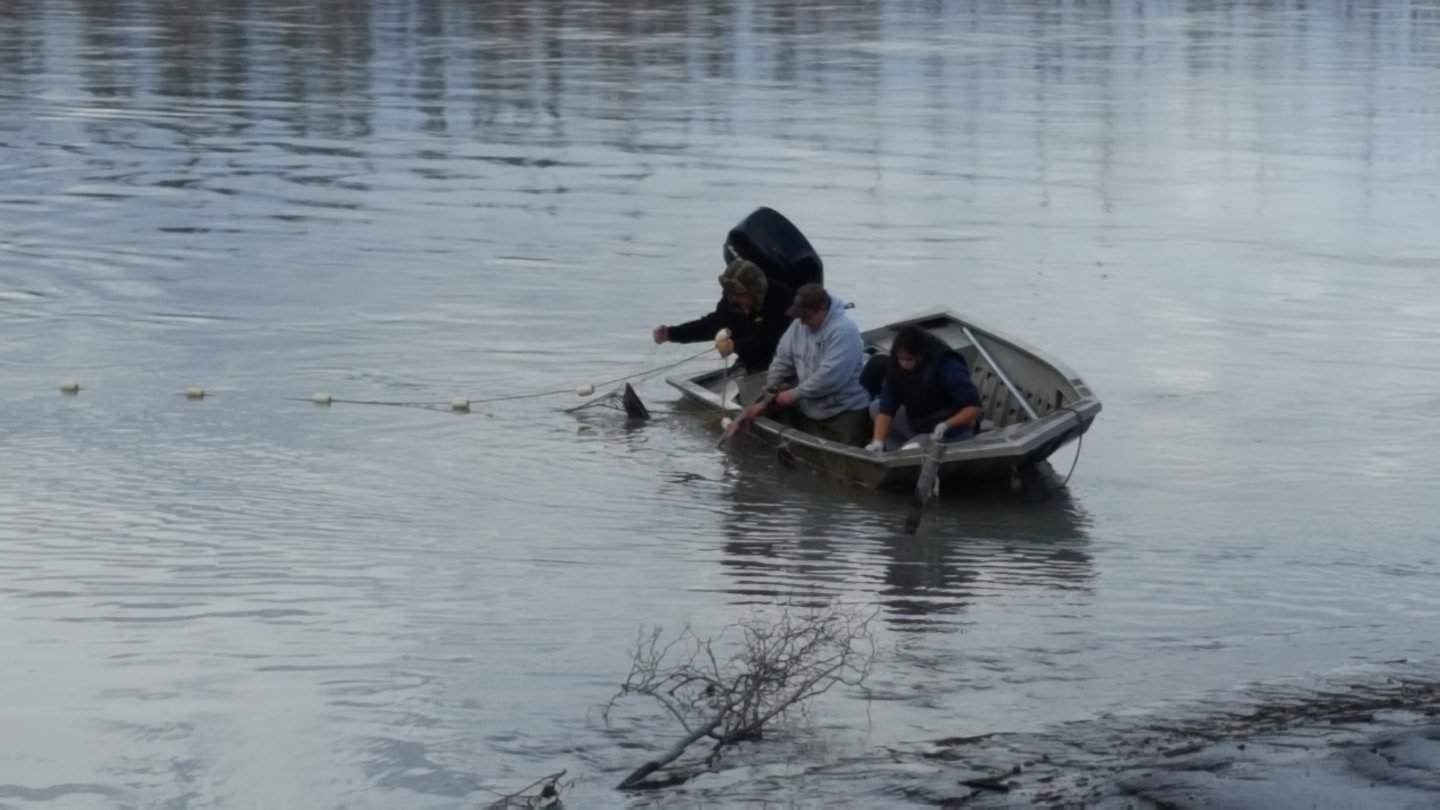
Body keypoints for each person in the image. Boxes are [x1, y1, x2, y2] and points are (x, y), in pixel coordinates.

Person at [743, 283, 872, 446]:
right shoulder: (799, 325)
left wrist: (793, 394)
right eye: (799, 317)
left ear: (823, 309)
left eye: (807, 317)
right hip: (810, 406)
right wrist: (771, 387)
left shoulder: (844, 331)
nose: (802, 322)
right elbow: (783, 359)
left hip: (844, 410)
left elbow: (829, 378)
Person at [652, 259, 794, 372]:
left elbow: (773, 337)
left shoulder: (782, 298)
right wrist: (671, 333)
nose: (733, 299)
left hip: (785, 363)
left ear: (755, 292)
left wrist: (735, 346)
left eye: (739, 295)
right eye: (730, 294)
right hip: (751, 362)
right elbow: (711, 325)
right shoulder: (731, 301)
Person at [866, 325, 983, 453]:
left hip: (949, 429)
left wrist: (947, 425)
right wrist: (878, 440)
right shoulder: (896, 368)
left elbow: (974, 407)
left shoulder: (947, 365)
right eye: (901, 359)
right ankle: (889, 446)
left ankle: (911, 448)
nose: (904, 363)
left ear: (921, 355)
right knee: (876, 407)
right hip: (918, 421)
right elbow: (886, 409)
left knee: (911, 452)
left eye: (909, 359)